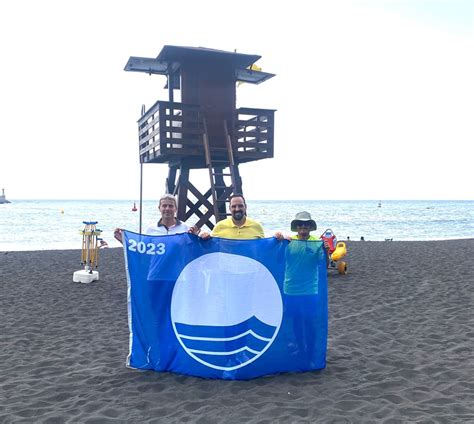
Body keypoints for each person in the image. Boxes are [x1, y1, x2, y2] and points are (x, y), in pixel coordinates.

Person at [114, 194, 199, 243]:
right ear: (159, 208)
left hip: (178, 271)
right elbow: (141, 249)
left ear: (175, 209)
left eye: (171, 206)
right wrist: (124, 241)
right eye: (164, 206)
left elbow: (194, 249)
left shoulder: (186, 229)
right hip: (157, 271)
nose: (167, 209)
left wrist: (201, 237)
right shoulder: (151, 230)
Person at [200, 194, 264, 240]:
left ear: (245, 207)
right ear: (230, 208)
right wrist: (202, 237)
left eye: (240, 206)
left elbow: (265, 249)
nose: (237, 209)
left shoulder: (257, 226)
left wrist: (274, 240)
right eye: (234, 206)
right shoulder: (219, 226)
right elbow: (210, 247)